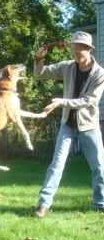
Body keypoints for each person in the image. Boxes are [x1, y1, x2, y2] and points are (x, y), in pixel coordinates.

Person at [34, 31, 104, 218]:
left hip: (89, 126)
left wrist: (62, 101)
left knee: (99, 167)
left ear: (88, 49)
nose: (74, 52)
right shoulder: (67, 67)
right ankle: (43, 204)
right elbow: (41, 75)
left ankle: (100, 204)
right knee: (56, 165)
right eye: (73, 48)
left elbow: (88, 100)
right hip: (68, 125)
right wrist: (38, 60)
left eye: (78, 48)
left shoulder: (99, 74)